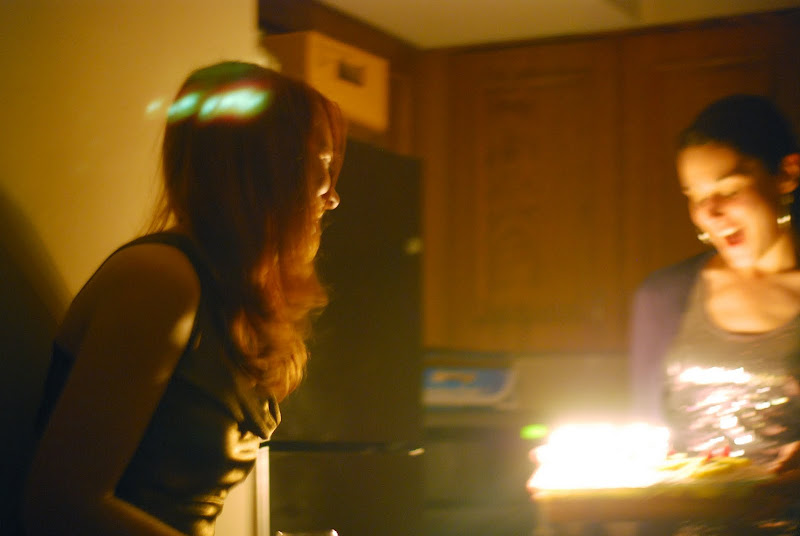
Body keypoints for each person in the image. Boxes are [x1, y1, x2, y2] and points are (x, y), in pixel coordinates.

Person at [19, 61, 346, 536]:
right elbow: (61, 505)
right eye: (323, 163)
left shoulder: (229, 295)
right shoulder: (160, 281)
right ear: (269, 166)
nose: (332, 196)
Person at [630, 94, 800, 533]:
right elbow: (644, 445)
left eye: (729, 189)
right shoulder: (664, 297)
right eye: (696, 195)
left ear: (787, 174)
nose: (710, 212)